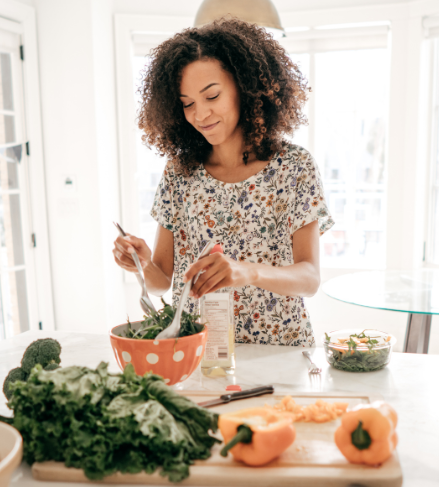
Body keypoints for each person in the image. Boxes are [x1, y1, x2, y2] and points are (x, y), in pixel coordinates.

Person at [112, 19, 333, 347]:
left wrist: (248, 271)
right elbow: (163, 280)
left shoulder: (294, 167)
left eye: (211, 95)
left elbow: (310, 279)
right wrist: (142, 263)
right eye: (188, 103)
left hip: (279, 353)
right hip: (199, 352)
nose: (199, 115)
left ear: (244, 87)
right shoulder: (179, 174)